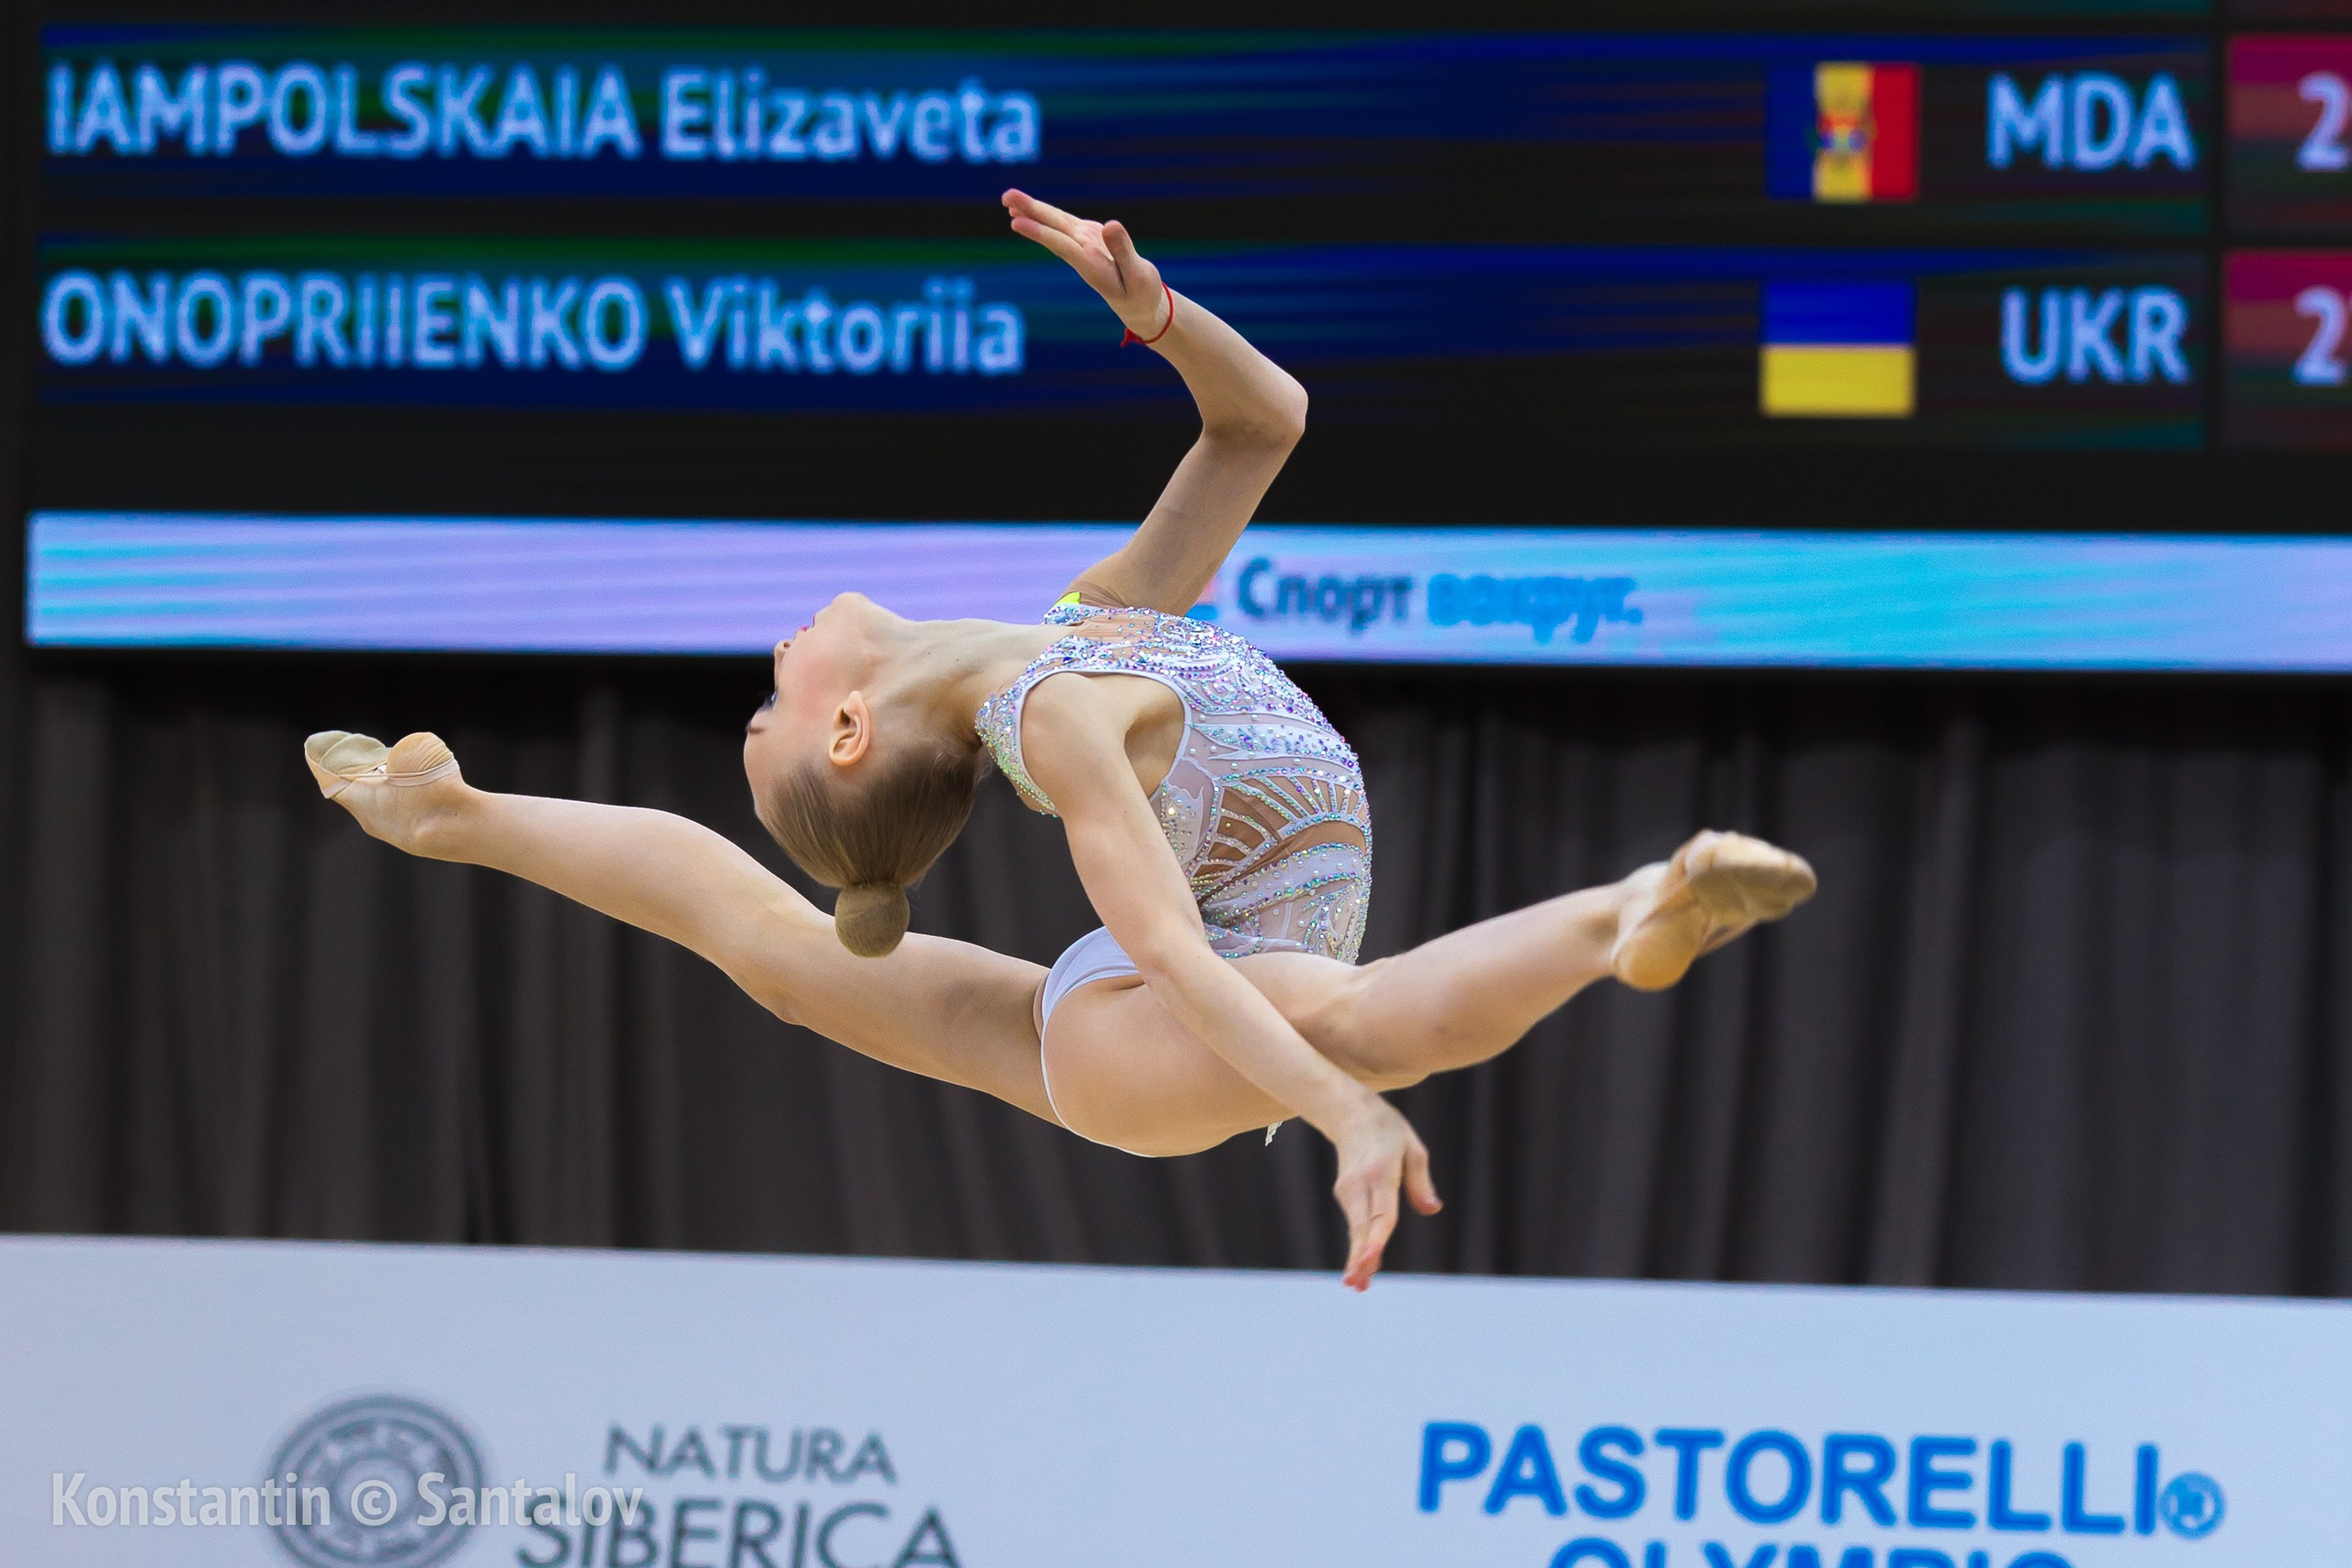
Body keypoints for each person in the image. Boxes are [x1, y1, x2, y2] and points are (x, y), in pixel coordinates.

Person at [307, 190, 1815, 1290]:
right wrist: (1344, 1117)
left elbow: (1264, 422)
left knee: (770, 949)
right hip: (1175, 1010)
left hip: (1158, 996)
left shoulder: (1095, 624)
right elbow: (1168, 949)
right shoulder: (1055, 714)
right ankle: (1627, 911)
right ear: (850, 727)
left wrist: (1151, 314)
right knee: (1343, 1025)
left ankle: (455, 817)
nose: (766, 668)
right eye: (770, 709)